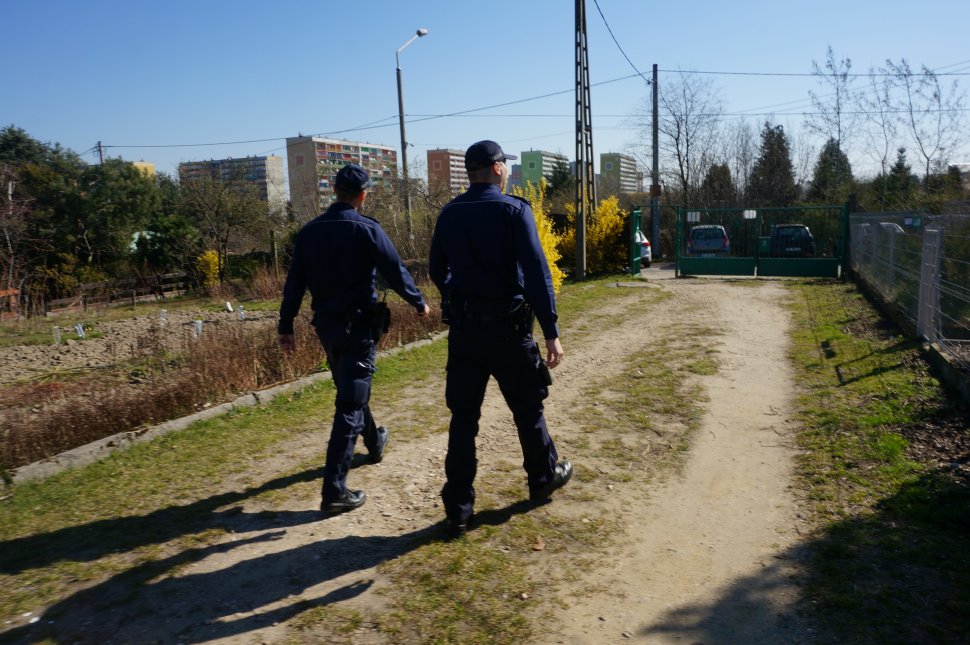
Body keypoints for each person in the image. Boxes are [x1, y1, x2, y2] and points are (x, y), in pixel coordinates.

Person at [429, 140, 572, 537]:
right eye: (505, 165)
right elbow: (538, 274)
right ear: (495, 168)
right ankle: (542, 477)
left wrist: (460, 293)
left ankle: (458, 509)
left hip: (465, 332)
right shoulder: (514, 210)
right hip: (509, 332)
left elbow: (436, 268)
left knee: (463, 420)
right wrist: (552, 333)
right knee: (528, 410)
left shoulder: (449, 213)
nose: (508, 171)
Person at [279, 164, 430, 516]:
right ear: (363, 195)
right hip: (358, 327)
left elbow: (294, 284)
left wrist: (285, 325)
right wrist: (418, 301)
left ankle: (374, 441)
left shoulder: (309, 232)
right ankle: (334, 489)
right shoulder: (368, 229)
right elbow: (395, 269)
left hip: (326, 329)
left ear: (334, 190)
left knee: (351, 389)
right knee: (350, 402)